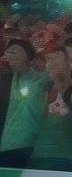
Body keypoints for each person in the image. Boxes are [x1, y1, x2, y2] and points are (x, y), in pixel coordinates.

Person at [0, 39, 46, 168]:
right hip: (5, 143)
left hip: (26, 144)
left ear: (29, 56)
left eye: (17, 50)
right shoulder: (4, 79)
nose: (12, 52)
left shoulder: (40, 78)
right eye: (9, 51)